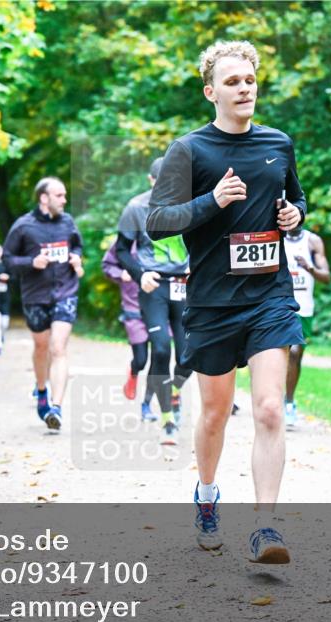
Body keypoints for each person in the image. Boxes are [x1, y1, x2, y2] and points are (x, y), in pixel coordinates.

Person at [147, 41, 307, 563]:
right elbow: (157, 221)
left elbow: (298, 198)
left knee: (267, 407)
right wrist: (211, 201)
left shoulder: (278, 143)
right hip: (213, 302)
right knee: (214, 415)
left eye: (250, 80)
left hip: (269, 296)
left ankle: (266, 527)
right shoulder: (190, 151)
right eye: (233, 81)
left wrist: (295, 218)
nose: (244, 88)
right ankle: (209, 496)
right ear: (211, 91)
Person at [115, 157, 193, 445]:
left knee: (188, 356)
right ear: (151, 181)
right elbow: (121, 250)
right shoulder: (136, 208)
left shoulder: (190, 205)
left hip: (184, 286)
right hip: (154, 286)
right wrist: (139, 274)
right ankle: (167, 418)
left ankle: (174, 391)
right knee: (160, 350)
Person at [2, 177, 84, 431]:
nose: (64, 199)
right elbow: (7, 259)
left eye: (65, 195)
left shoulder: (68, 222)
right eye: (59, 195)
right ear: (44, 198)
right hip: (35, 296)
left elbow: (78, 246)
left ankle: (56, 408)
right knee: (41, 347)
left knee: (58, 348)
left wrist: (76, 259)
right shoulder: (23, 226)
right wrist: (31, 263)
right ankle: (41, 391)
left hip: (65, 292)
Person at [101, 240, 157, 422]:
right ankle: (134, 371)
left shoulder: (164, 239)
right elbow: (107, 265)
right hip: (133, 310)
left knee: (159, 357)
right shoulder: (125, 242)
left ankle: (147, 405)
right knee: (141, 359)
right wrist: (121, 273)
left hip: (159, 308)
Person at [283, 222, 330, 427]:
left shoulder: (312, 241)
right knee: (279, 354)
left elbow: (326, 277)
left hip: (303, 309)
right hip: (279, 304)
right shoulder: (276, 237)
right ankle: (275, 401)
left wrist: (308, 267)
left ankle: (289, 402)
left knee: (295, 355)